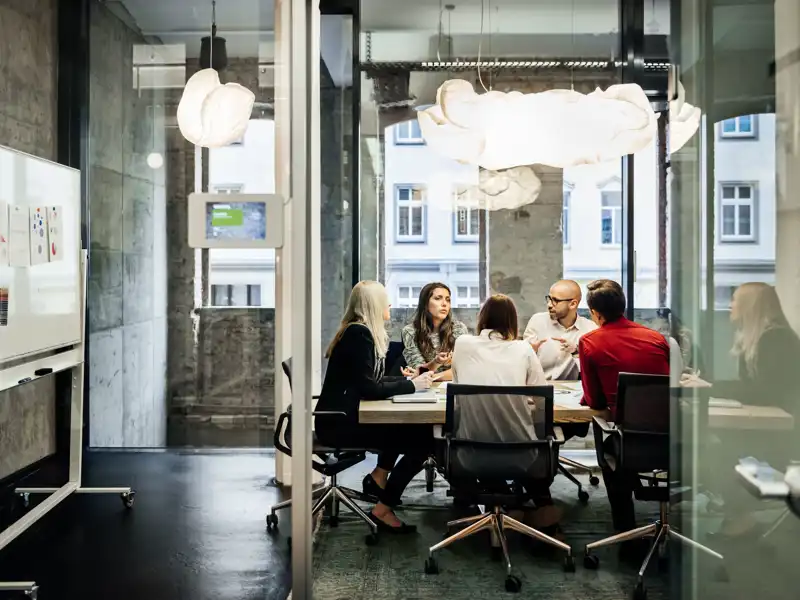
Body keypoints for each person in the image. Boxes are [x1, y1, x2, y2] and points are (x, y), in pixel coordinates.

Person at [315, 281, 436, 534]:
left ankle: (380, 482)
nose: (389, 304)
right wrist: (413, 386)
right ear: (373, 304)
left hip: (342, 418)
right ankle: (383, 506)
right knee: (423, 441)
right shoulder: (359, 335)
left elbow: (370, 382)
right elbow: (369, 388)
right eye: (385, 299)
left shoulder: (356, 331)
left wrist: (408, 381)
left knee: (412, 433)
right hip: (341, 424)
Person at [451, 295, 558, 522]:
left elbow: (461, 390)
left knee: (486, 436)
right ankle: (535, 506)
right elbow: (542, 399)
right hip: (521, 454)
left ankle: (504, 504)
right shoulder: (523, 348)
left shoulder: (462, 343)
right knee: (527, 435)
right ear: (512, 321)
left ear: (482, 318)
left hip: (470, 454)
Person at [579, 279, 670, 532]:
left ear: (595, 313)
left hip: (629, 443)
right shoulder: (656, 338)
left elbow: (595, 401)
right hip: (671, 441)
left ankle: (625, 529)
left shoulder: (590, 342)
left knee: (605, 435)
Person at [523, 279, 597, 381]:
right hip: (539, 389)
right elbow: (522, 364)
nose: (549, 304)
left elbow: (593, 371)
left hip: (572, 392)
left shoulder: (590, 329)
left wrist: (577, 351)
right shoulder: (537, 321)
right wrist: (528, 352)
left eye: (555, 300)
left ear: (573, 304)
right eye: (549, 299)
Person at [401, 282, 469, 381]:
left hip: (451, 387)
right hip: (424, 388)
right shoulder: (410, 331)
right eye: (438, 298)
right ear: (425, 303)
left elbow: (463, 370)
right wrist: (436, 364)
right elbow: (419, 370)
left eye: (448, 300)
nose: (444, 304)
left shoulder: (459, 329)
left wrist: (432, 376)